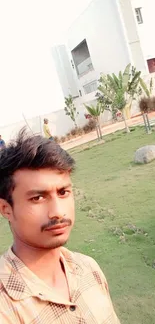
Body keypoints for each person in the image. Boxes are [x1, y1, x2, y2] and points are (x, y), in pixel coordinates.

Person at [0, 129, 120, 324]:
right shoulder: (6, 306)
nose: (57, 211)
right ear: (6, 209)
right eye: (37, 198)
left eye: (63, 192)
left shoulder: (88, 268)